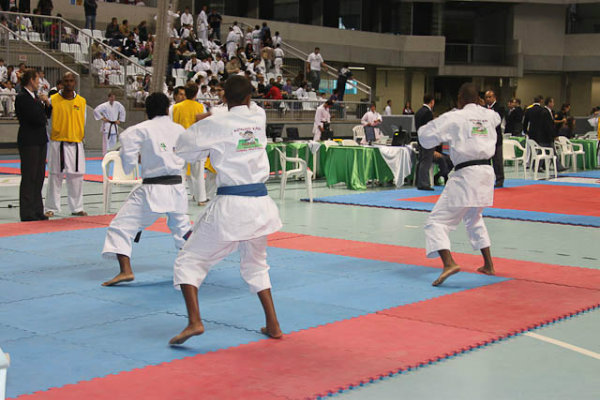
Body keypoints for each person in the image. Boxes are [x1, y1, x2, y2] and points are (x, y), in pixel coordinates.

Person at [169, 75, 282, 345]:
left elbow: (182, 147)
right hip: (261, 205)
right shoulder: (259, 116)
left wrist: (207, 130)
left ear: (223, 98)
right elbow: (242, 110)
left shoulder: (216, 123)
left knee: (189, 260)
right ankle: (273, 324)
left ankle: (195, 321)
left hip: (232, 207)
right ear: (249, 97)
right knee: (256, 264)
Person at [101, 93, 192, 287]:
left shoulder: (139, 130)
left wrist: (134, 161)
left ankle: (125, 270)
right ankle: (196, 266)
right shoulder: (179, 129)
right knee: (182, 229)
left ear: (147, 111)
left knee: (120, 226)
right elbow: (187, 154)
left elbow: (127, 159)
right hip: (178, 187)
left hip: (153, 188)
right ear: (167, 109)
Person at [418, 82, 500, 287]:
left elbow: (425, 136)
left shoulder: (455, 116)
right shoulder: (489, 115)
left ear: (460, 99)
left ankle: (449, 263)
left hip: (466, 174)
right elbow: (497, 118)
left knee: (436, 221)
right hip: (486, 174)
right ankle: (488, 264)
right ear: (478, 99)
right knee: (474, 218)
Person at [45, 72, 87, 218]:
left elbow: (83, 122)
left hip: (76, 144)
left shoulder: (81, 101)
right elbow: (48, 123)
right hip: (58, 143)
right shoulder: (52, 100)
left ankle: (77, 207)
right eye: (66, 81)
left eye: (71, 80)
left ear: (75, 82)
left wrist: (77, 136)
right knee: (55, 176)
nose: (68, 83)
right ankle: (51, 207)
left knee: (76, 177)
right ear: (61, 83)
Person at [15, 69, 52, 221]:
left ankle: (37, 210)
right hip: (29, 140)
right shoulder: (22, 97)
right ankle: (27, 212)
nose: (38, 83)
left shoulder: (35, 97)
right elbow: (35, 118)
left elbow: (46, 115)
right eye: (37, 80)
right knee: (29, 176)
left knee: (39, 176)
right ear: (31, 80)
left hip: (40, 139)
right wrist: (41, 110)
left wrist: (47, 103)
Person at [172, 82, 212, 205]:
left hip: (180, 144)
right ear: (196, 93)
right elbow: (204, 126)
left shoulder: (175, 107)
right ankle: (201, 199)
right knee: (199, 173)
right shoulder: (201, 107)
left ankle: (179, 198)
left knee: (180, 173)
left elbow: (170, 125)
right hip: (196, 144)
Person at [484, 90, 505, 187]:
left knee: (497, 161)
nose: (488, 99)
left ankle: (500, 179)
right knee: (486, 161)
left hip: (496, 138)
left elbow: (497, 120)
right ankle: (487, 180)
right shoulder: (483, 108)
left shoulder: (500, 107)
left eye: (490, 97)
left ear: (494, 97)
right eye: (486, 97)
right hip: (486, 138)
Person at [415, 94, 435, 190]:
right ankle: (424, 183)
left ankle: (419, 182)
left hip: (420, 138)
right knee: (426, 161)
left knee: (421, 160)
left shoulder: (418, 112)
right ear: (432, 101)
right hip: (427, 140)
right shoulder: (428, 113)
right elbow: (429, 128)